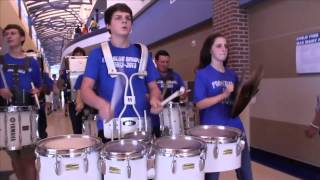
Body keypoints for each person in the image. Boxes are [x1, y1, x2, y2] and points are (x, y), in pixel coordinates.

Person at [80, 3, 162, 140]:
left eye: (128, 18)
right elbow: (85, 90)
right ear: (108, 25)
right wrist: (101, 105)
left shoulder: (142, 53)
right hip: (110, 128)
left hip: (142, 126)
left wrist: (154, 98)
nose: (124, 20)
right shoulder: (97, 54)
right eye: (118, 18)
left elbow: (154, 87)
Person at [193, 33, 253, 180]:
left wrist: (248, 97)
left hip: (235, 127)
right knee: (212, 175)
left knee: (245, 171)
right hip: (212, 131)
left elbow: (237, 101)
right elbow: (199, 104)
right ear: (210, 50)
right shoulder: (202, 74)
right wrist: (224, 94)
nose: (224, 49)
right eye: (219, 45)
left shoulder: (231, 74)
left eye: (226, 46)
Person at [0, 24, 41, 180]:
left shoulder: (32, 63)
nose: (9, 36)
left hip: (26, 113)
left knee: (28, 157)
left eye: (13, 33)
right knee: (14, 156)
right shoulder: (1, 61)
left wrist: (38, 90)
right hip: (5, 112)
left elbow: (38, 84)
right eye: (6, 34)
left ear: (22, 37)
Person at [151, 50, 186, 137]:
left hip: (172, 115)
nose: (165, 64)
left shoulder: (176, 76)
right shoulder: (150, 76)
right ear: (156, 61)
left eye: (167, 62)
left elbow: (183, 91)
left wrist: (183, 95)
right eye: (162, 62)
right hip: (154, 117)